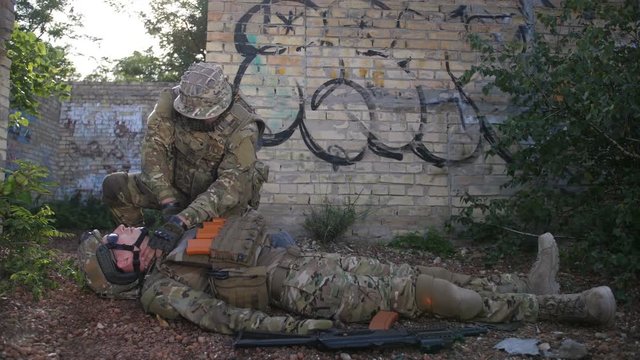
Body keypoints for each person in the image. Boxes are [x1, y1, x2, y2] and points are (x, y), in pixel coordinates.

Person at [78, 210, 616, 336]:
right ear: (121, 264)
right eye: (114, 241)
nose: (122, 231)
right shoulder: (163, 291)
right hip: (308, 293)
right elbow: (226, 318)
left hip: (311, 264)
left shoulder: (169, 244)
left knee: (413, 270)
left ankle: (525, 286)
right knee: (442, 299)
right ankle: (563, 308)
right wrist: (299, 329)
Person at [101, 61, 269, 260]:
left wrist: (181, 221)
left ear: (222, 105)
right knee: (115, 186)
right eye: (190, 114)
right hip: (178, 190)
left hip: (220, 203)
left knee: (208, 257)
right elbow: (154, 150)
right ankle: (141, 251)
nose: (196, 120)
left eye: (205, 116)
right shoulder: (171, 100)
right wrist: (167, 199)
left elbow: (229, 188)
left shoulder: (244, 126)